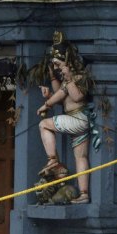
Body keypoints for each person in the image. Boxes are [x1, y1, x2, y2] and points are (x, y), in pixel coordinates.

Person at [36, 41, 94, 204]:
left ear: (69, 63)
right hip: (77, 119)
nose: (58, 68)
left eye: (59, 65)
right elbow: (60, 97)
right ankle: (84, 194)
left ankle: (53, 158)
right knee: (81, 157)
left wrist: (46, 105)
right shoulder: (69, 80)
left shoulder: (78, 78)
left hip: (78, 118)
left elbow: (75, 97)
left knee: (44, 124)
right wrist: (51, 90)